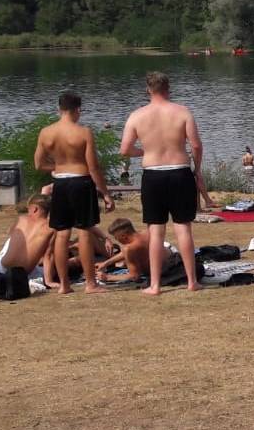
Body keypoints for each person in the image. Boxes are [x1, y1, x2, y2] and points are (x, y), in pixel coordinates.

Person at [120, 72, 215, 296]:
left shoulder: (137, 115)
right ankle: (192, 281)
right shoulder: (182, 112)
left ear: (148, 90)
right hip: (179, 172)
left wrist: (144, 151)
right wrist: (197, 168)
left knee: (156, 231)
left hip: (153, 174)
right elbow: (196, 145)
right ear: (168, 88)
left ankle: (155, 285)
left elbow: (124, 149)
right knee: (183, 228)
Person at [35, 91, 115, 295]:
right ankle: (90, 283)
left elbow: (38, 163)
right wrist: (105, 194)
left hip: (60, 183)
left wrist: (56, 167)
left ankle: (64, 285)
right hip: (81, 181)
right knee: (84, 232)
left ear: (59, 109)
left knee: (61, 234)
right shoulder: (83, 132)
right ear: (78, 109)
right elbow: (93, 167)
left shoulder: (46, 132)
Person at [0, 195, 57, 294]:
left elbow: (10, 233)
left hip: (1, 268)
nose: (28, 212)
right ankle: (34, 281)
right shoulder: (51, 229)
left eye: (28, 209)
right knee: (51, 264)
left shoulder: (21, 219)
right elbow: (48, 256)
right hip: (23, 275)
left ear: (35, 209)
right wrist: (49, 281)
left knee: (13, 238)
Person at [96, 217, 152, 285]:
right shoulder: (146, 233)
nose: (116, 240)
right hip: (167, 262)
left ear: (123, 236)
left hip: (161, 271)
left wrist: (107, 277)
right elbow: (126, 253)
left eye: (116, 237)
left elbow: (134, 276)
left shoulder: (128, 249)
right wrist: (105, 263)